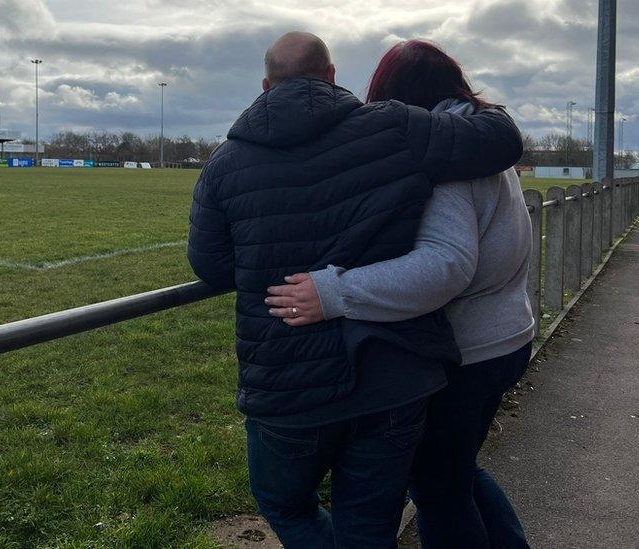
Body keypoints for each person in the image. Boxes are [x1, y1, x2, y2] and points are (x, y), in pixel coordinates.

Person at [188, 31, 523, 548]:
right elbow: (501, 138)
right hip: (392, 375)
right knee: (379, 520)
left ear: (264, 84)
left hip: (287, 378)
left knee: (286, 503)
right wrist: (471, 106)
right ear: (331, 76)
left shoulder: (224, 162)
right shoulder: (395, 128)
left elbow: (212, 265)